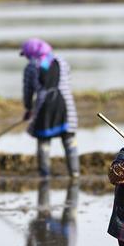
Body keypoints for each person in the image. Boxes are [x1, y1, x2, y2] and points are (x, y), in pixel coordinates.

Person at [20, 38, 79, 178]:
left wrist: (28, 108)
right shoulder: (62, 62)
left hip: (44, 107)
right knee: (69, 140)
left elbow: (28, 90)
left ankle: (44, 175)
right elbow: (67, 82)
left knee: (43, 141)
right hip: (66, 106)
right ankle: (75, 173)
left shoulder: (31, 67)